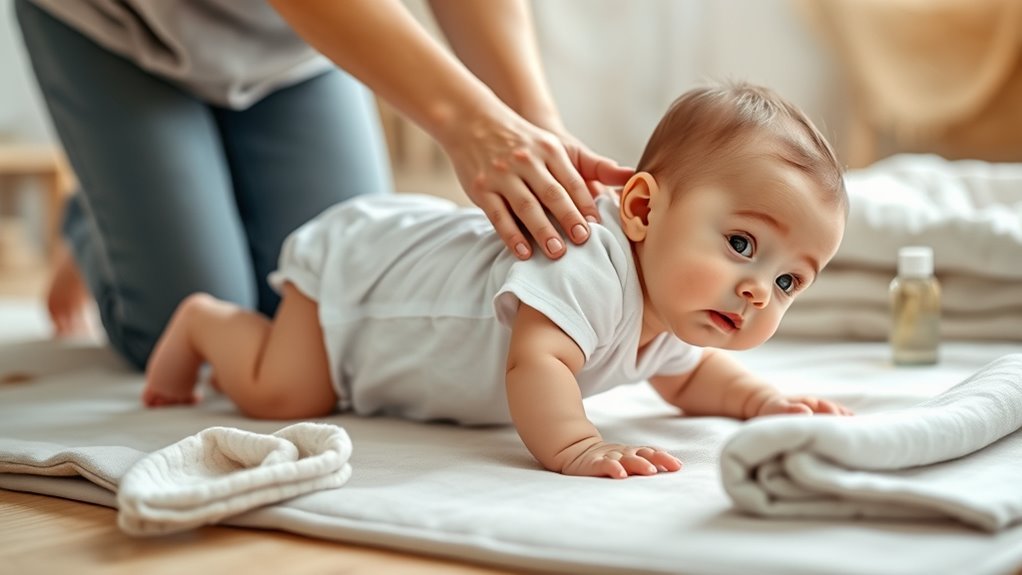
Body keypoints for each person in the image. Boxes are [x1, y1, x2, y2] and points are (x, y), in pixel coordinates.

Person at [143, 82, 854, 479]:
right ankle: (204, 319)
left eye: (791, 280)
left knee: (305, 394)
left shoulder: (674, 305)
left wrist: (763, 403)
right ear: (640, 207)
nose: (760, 289)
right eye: (741, 243)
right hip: (358, 287)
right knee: (284, 393)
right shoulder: (587, 260)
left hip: (386, 296)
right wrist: (578, 443)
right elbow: (536, 361)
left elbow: (694, 379)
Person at [15, 0, 632, 366]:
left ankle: (129, 200)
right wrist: (468, 122)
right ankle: (94, 218)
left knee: (328, 304)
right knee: (184, 334)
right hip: (116, 22)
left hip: (297, 37)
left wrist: (534, 122)